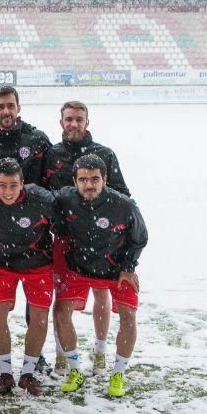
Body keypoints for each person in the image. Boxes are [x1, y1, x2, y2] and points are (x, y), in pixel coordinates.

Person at [0, 85, 52, 373]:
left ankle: (35, 355)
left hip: (34, 233)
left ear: (18, 107)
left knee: (35, 297)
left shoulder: (37, 140)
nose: (6, 111)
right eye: (1, 106)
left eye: (10, 106)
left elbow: (51, 183)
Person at [42, 100, 131, 373]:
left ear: (87, 122)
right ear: (61, 123)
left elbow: (122, 196)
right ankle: (61, 353)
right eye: (69, 119)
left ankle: (100, 349)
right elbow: (43, 193)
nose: (73, 124)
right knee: (62, 297)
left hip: (100, 238)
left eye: (79, 119)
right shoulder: (52, 154)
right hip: (66, 238)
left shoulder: (104, 154)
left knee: (101, 291)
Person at [53, 154, 148, 397]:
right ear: (74, 181)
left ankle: (118, 373)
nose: (89, 185)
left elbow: (140, 238)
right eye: (83, 179)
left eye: (95, 179)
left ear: (105, 179)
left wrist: (128, 266)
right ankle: (75, 370)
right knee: (60, 312)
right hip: (79, 268)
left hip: (116, 270)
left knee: (128, 315)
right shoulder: (65, 199)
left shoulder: (124, 205)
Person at [0, 158, 55, 396]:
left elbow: (64, 227)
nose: (7, 192)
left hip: (38, 265)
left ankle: (27, 374)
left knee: (39, 317)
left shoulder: (42, 200)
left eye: (13, 186)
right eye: (2, 185)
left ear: (23, 183)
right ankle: (5, 374)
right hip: (1, 264)